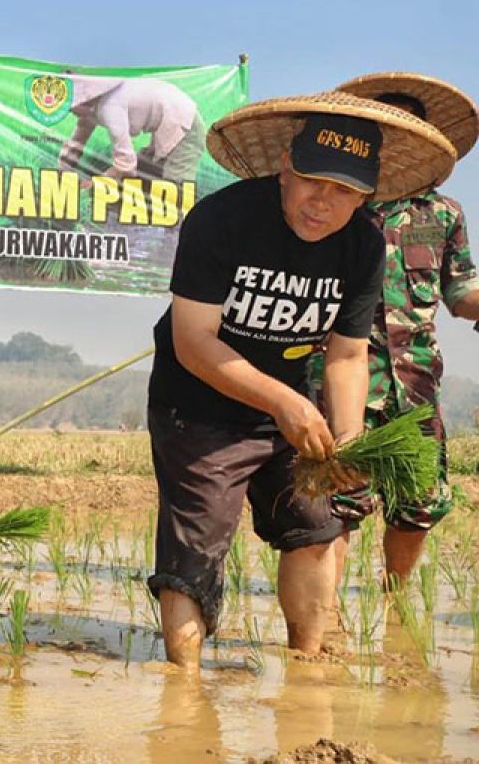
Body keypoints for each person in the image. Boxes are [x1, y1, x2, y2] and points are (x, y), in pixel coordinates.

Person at [146, 91, 455, 670]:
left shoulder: (363, 244)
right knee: (198, 546)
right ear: (286, 167)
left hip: (287, 405)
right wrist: (286, 401)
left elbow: (345, 356)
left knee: (316, 526)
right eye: (313, 181)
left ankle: (308, 673)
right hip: (198, 403)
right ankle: (183, 690)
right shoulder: (222, 221)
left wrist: (346, 437)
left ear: (366, 195)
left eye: (344, 192)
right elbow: (193, 342)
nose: (324, 203)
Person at [314, 72, 479, 587]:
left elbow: (460, 294)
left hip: (416, 385)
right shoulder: (335, 204)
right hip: (342, 375)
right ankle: (330, 617)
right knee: (338, 500)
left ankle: (394, 600)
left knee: (418, 502)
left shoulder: (444, 215)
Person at [58, 75, 205, 184]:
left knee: (176, 183)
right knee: (147, 170)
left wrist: (94, 184)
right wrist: (62, 172)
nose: (68, 111)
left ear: (82, 99)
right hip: (167, 122)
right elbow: (76, 143)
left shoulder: (109, 107)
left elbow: (126, 164)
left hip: (186, 123)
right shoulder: (89, 110)